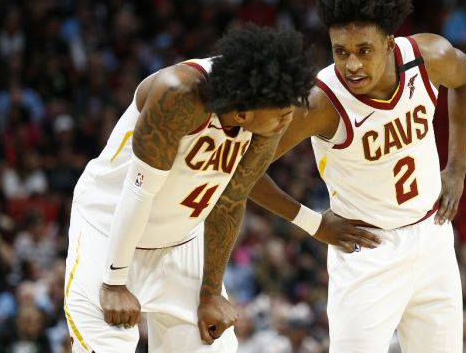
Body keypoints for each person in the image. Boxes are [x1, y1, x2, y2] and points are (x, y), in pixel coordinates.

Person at [249, 0, 466, 352]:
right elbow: (243, 170)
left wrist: (458, 167)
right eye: (341, 51)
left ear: (390, 43)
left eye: (364, 50)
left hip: (433, 237)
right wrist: (312, 223)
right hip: (367, 252)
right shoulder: (320, 102)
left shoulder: (429, 58)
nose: (352, 64)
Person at [63, 25, 323, 352]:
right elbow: (139, 191)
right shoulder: (179, 93)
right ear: (243, 113)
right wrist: (115, 281)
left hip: (182, 241)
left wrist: (211, 291)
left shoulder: (265, 101)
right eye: (283, 115)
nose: (287, 122)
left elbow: (231, 200)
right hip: (108, 233)